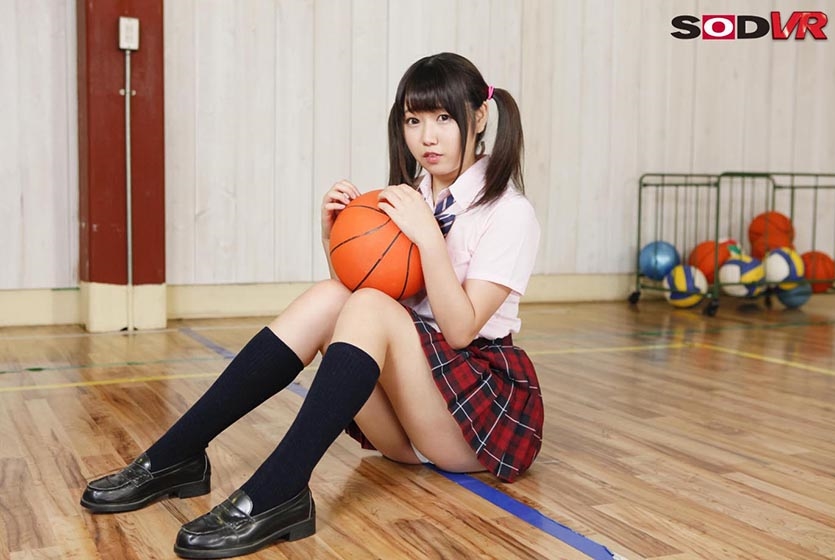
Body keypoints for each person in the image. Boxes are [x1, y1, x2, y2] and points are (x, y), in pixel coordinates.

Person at [80, 52, 543, 559]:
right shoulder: (411, 196)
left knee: (366, 305)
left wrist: (429, 240)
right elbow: (357, 303)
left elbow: (458, 331)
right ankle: (178, 455)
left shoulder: (509, 213)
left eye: (444, 118)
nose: (427, 137)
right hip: (408, 418)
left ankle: (280, 487)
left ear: (480, 116)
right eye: (414, 120)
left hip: (472, 415)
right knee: (333, 295)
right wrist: (334, 238)